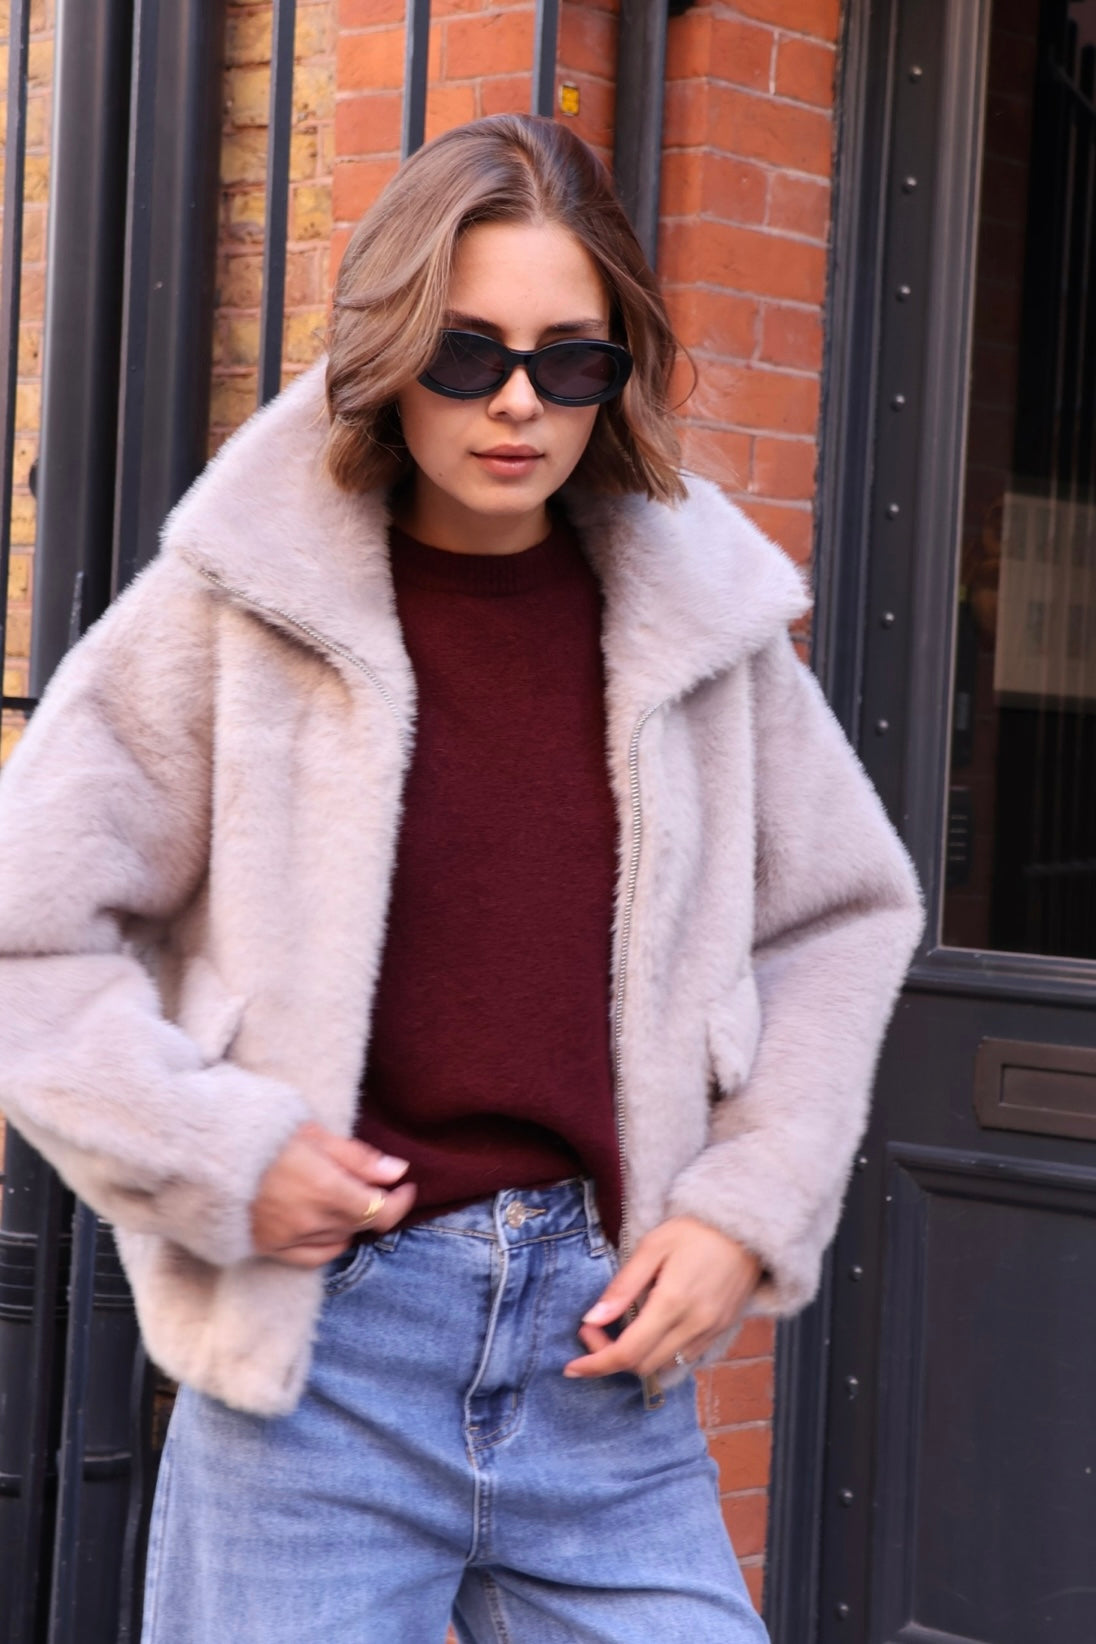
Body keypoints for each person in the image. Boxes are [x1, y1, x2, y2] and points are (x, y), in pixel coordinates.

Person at [0, 115, 922, 1642]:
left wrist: (749, 1205)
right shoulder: (238, 608)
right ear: (388, 347)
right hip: (323, 1371)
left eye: (572, 361)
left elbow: (844, 911)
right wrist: (215, 1149)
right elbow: (26, 932)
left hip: (605, 1367)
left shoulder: (699, 623)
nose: (517, 402)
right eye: (466, 352)